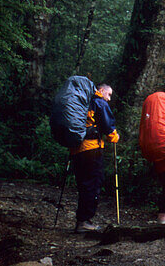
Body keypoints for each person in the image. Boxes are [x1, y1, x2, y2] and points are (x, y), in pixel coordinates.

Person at [70, 82, 119, 232]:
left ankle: (82, 220)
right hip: (91, 149)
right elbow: (108, 127)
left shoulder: (83, 102)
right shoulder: (99, 102)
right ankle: (84, 221)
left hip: (76, 149)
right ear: (101, 90)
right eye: (109, 94)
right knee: (93, 183)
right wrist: (114, 136)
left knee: (84, 184)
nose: (109, 99)